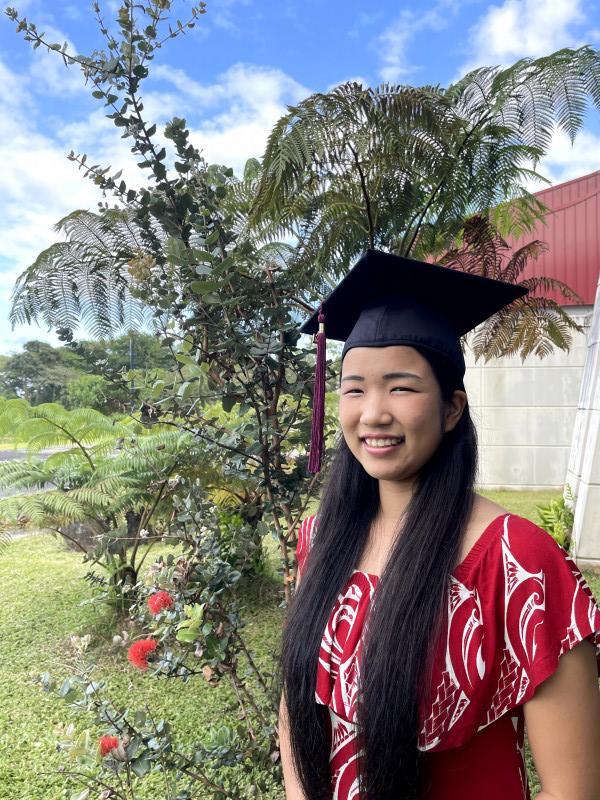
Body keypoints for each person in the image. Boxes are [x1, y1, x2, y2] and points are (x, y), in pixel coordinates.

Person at [278, 249, 600, 800]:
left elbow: (574, 788)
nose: (373, 412)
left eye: (401, 387)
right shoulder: (320, 538)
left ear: (452, 409)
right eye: (354, 388)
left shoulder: (518, 562)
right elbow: (297, 702)